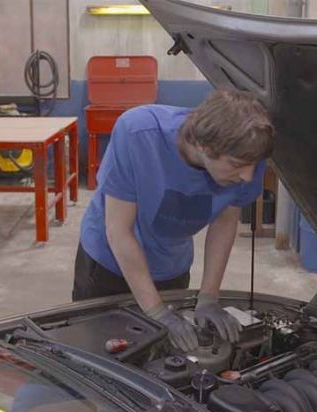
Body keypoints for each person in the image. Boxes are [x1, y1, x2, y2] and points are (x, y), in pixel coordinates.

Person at [73, 89, 274, 351]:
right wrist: (156, 311)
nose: (248, 177)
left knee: (165, 359)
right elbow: (118, 231)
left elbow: (225, 222)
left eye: (252, 166)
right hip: (108, 267)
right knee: (97, 353)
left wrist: (209, 297)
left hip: (171, 267)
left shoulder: (247, 156)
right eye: (237, 164)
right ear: (204, 145)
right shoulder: (138, 134)